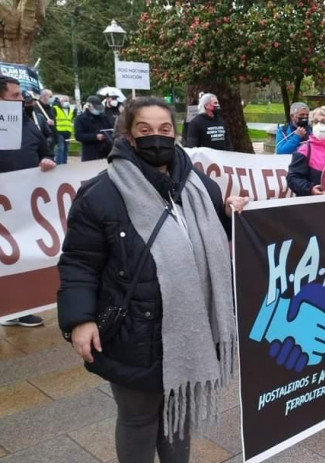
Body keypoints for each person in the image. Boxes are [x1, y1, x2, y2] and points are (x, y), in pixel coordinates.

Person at [58, 96, 249, 463]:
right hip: (136, 330)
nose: (156, 138)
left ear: (175, 134)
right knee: (139, 418)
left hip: (192, 330)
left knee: (178, 419)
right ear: (128, 136)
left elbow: (218, 235)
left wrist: (230, 212)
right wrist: (79, 319)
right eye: (144, 130)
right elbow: (79, 262)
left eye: (164, 130)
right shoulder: (102, 194)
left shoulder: (198, 186)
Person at [0, 75, 56, 328]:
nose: (21, 99)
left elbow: (44, 152)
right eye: (14, 95)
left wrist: (46, 162)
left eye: (20, 94)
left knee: (19, 255)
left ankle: (18, 309)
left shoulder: (28, 123)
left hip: (24, 204)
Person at [286, 106, 325, 196]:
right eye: (315, 122)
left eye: (324, 122)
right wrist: (310, 189)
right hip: (313, 205)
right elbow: (292, 178)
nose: (319, 125)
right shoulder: (304, 150)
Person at [74, 96, 113, 161]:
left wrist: (107, 134)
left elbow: (109, 128)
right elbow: (78, 136)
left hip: (105, 151)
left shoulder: (103, 117)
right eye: (95, 107)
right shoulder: (80, 119)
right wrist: (95, 136)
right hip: (90, 153)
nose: (98, 110)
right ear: (89, 106)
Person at [53, 95, 76, 164]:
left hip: (68, 132)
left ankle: (64, 164)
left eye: (67, 101)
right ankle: (59, 164)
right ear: (60, 101)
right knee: (60, 148)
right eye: (65, 101)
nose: (66, 102)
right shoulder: (55, 108)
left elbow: (71, 119)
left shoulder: (71, 110)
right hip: (59, 131)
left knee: (66, 149)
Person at [36, 89, 57, 153]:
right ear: (44, 96)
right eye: (50, 96)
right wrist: (45, 123)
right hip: (42, 138)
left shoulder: (50, 108)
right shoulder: (36, 107)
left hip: (51, 138)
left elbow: (54, 122)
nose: (52, 98)